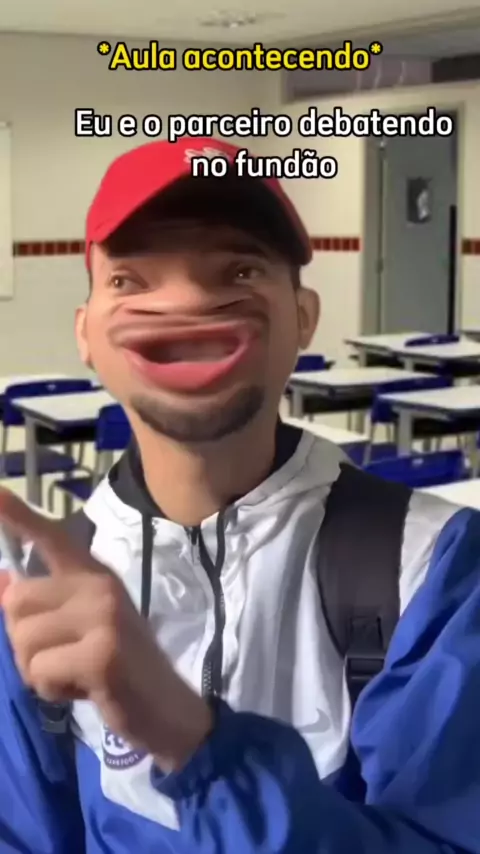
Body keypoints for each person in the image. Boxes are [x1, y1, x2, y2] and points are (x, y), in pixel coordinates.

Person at [0, 136, 479, 853]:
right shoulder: (33, 595)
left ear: (305, 316)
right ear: (86, 334)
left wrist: (190, 742)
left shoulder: (435, 569)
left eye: (240, 270)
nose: (188, 302)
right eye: (131, 279)